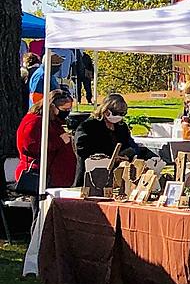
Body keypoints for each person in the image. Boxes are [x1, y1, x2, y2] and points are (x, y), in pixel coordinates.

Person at [15, 89, 77, 218]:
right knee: (40, 214)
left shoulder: (52, 121)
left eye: (68, 109)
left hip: (54, 176)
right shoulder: (35, 121)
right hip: (41, 175)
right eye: (64, 109)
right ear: (52, 105)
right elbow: (30, 146)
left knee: (49, 215)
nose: (66, 112)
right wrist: (59, 141)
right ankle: (38, 238)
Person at [73, 93, 151, 185]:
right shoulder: (88, 126)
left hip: (117, 174)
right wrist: (107, 158)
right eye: (116, 113)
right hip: (92, 174)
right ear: (106, 110)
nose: (119, 116)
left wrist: (127, 156)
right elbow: (81, 148)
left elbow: (130, 144)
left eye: (122, 113)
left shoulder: (121, 127)